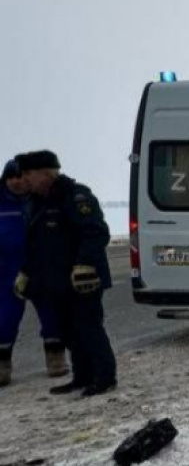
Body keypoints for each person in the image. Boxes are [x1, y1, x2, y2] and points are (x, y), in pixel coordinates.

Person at [15, 151, 116, 396]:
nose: (24, 180)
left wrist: (85, 265)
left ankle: (105, 377)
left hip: (83, 280)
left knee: (88, 328)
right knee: (68, 331)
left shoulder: (75, 195)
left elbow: (96, 232)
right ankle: (82, 377)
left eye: (29, 174)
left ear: (47, 173)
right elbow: (35, 243)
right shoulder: (36, 202)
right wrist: (26, 272)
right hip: (56, 282)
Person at [1, 160, 68, 385]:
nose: (18, 182)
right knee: (5, 319)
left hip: (39, 270)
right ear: (6, 179)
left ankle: (56, 359)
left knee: (51, 314)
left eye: (23, 177)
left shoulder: (41, 200)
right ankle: (2, 366)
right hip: (6, 271)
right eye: (13, 177)